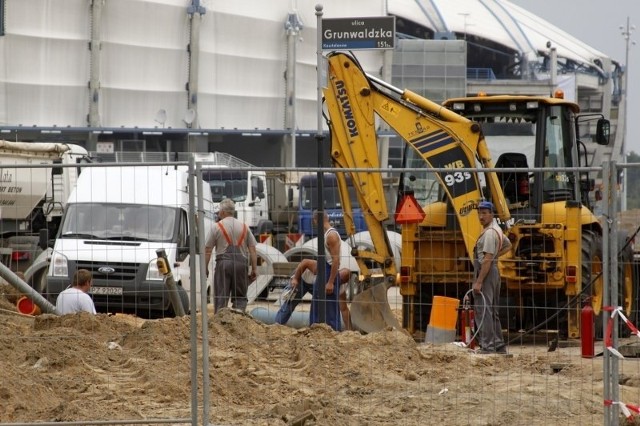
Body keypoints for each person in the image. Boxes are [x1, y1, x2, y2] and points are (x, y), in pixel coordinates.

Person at [471, 201, 512, 354]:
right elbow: (508, 245)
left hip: (486, 272)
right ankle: (499, 345)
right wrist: (495, 255)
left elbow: (487, 259)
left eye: (484, 213)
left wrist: (479, 281)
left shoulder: (489, 233)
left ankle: (487, 346)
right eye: (479, 213)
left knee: (484, 309)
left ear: (492, 214)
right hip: (493, 271)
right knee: (492, 309)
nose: (481, 216)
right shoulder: (497, 229)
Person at [205, 198, 258, 313]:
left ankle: (220, 322)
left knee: (221, 297)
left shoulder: (216, 227)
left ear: (223, 212)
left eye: (219, 211)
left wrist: (205, 267)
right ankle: (239, 320)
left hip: (223, 265)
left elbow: (208, 250)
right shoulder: (245, 227)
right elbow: (253, 250)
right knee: (240, 297)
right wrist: (254, 269)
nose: (218, 213)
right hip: (241, 265)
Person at [275, 258, 353, 330]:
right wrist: (295, 278)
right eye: (337, 278)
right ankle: (277, 326)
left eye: (340, 281)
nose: (337, 282)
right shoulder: (323, 269)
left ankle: (318, 329)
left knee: (323, 306)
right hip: (302, 279)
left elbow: (344, 309)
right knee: (290, 303)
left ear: (344, 282)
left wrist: (350, 330)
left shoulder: (340, 287)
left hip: (317, 286)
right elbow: (305, 262)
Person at [309, 210, 342, 331]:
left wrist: (330, 282)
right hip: (324, 272)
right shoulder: (326, 234)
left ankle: (334, 334)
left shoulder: (331, 236)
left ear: (317, 220)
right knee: (317, 305)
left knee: (330, 310)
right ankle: (315, 332)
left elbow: (335, 260)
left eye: (314, 221)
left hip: (329, 273)